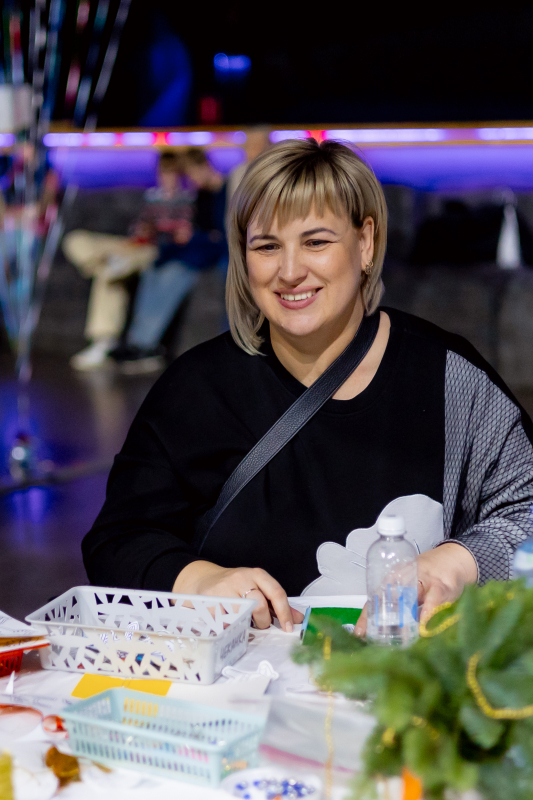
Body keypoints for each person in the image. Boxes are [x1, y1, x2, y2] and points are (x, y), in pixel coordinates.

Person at [83, 139, 533, 634]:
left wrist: (458, 563)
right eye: (266, 246)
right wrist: (198, 580)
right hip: (241, 678)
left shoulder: (450, 379)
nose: (290, 271)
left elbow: (526, 508)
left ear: (365, 242)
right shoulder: (195, 390)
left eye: (316, 242)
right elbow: (117, 540)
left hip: (402, 674)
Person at [64, 150, 193, 370]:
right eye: (163, 173)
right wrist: (140, 229)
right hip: (131, 246)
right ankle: (104, 264)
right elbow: (136, 228)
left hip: (155, 250)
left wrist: (162, 229)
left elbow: (183, 236)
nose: (167, 178)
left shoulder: (187, 200)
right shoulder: (151, 198)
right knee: (75, 240)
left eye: (172, 174)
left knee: (112, 275)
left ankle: (103, 341)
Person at [109, 147, 227, 372]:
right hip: (185, 252)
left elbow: (218, 235)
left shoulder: (224, 191)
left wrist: (194, 236)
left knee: (172, 274)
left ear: (203, 167)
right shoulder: (199, 196)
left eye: (190, 175)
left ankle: (146, 345)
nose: (191, 181)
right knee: (153, 272)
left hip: (203, 255)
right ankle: (136, 342)